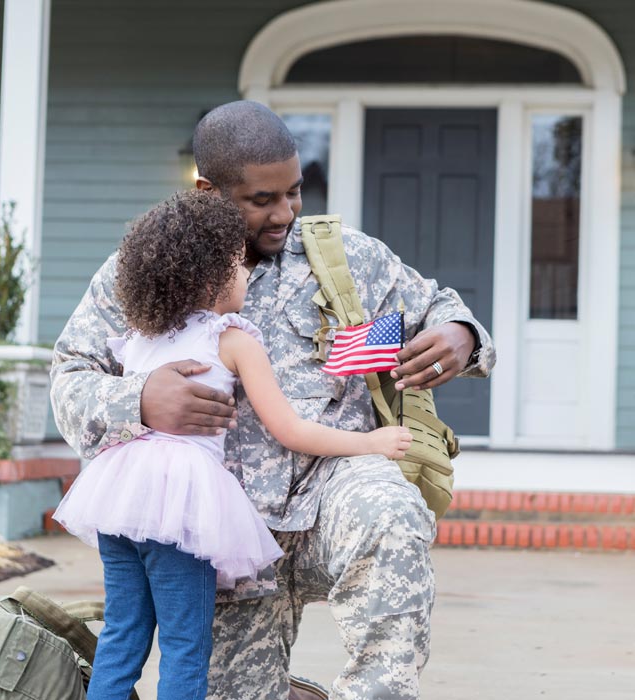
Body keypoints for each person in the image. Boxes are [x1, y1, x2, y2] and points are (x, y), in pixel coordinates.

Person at [51, 101, 496, 700]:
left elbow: (441, 306)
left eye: (294, 192)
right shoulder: (145, 269)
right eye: (262, 199)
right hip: (213, 540)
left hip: (330, 493)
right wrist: (141, 399)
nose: (284, 213)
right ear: (208, 191)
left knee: (389, 511)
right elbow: (69, 377)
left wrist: (460, 337)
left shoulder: (346, 259)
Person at [52, 190, 414, 700]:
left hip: (118, 498)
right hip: (180, 503)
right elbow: (289, 429)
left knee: (122, 635)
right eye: (237, 265)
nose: (247, 274)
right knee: (185, 643)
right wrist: (370, 440)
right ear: (208, 279)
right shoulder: (233, 339)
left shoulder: (139, 335)